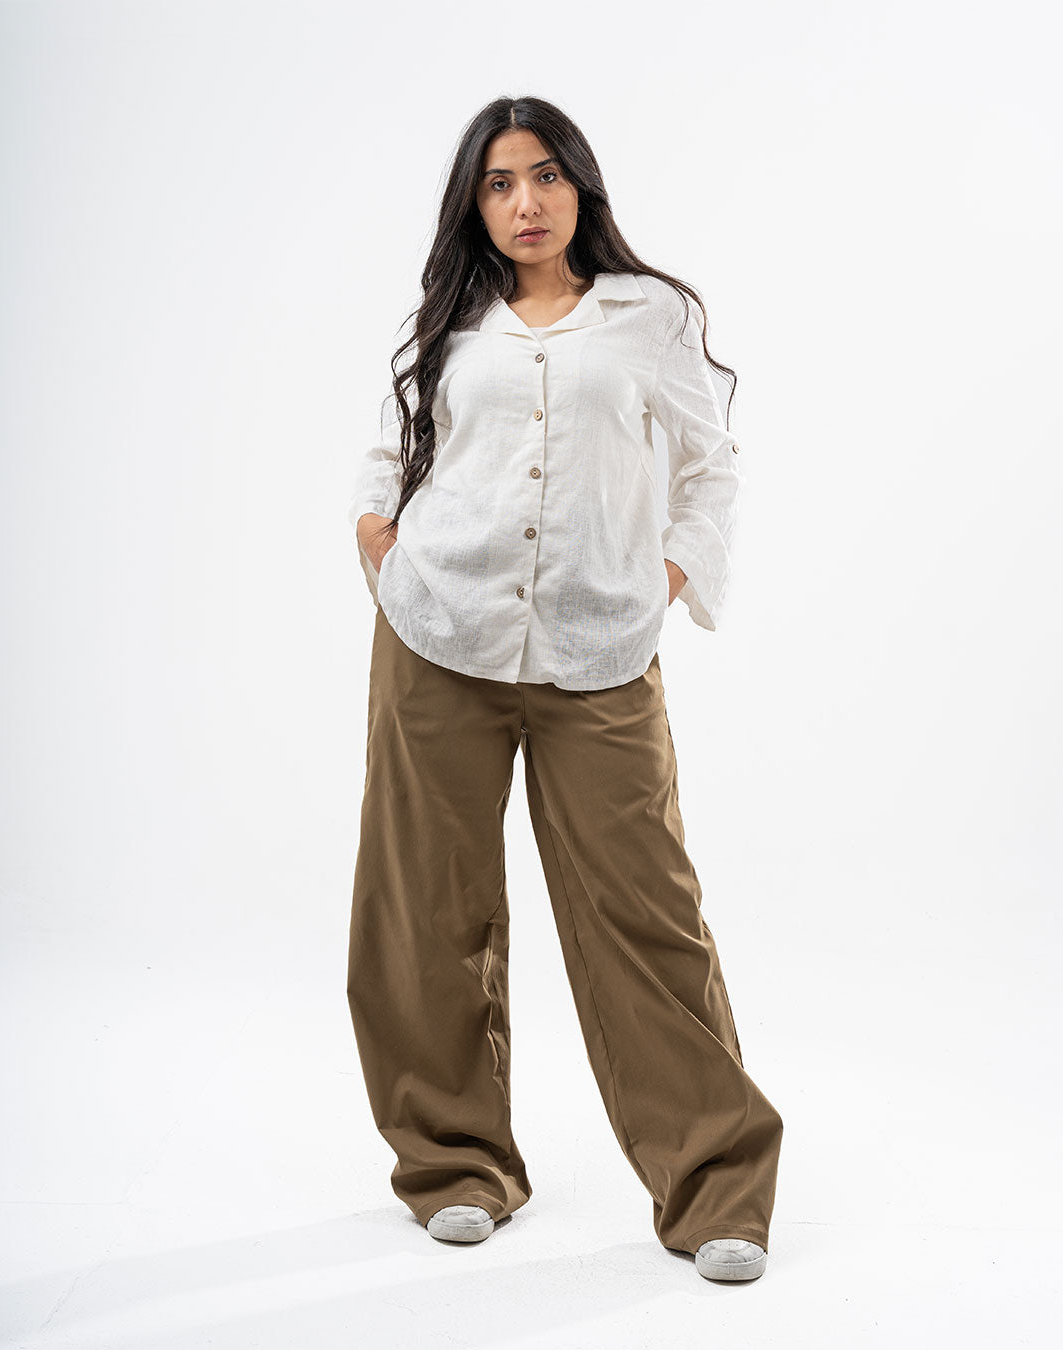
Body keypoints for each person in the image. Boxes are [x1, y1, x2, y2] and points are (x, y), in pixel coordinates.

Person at [345, 95, 783, 1284]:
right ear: (474, 204)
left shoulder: (650, 316)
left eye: (545, 175)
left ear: (581, 186)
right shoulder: (450, 320)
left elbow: (710, 468)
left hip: (598, 649)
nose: (525, 202)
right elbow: (391, 448)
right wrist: (381, 543)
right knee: (427, 907)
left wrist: (667, 580)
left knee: (645, 912)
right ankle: (454, 1165)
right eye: (498, 183)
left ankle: (716, 1187)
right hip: (441, 634)